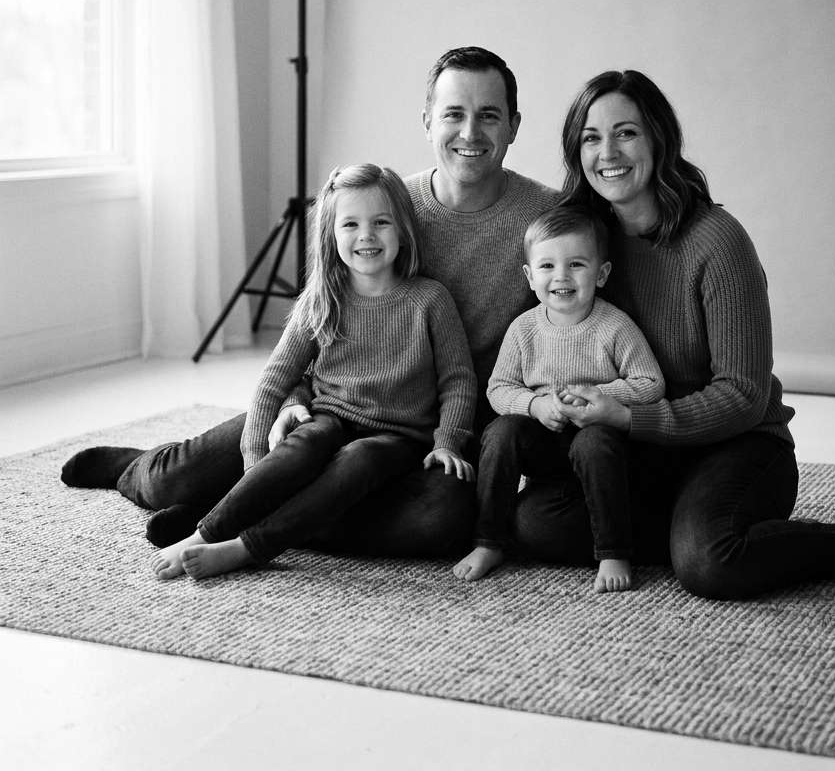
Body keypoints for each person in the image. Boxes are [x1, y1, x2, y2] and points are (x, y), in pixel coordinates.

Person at [61, 47, 558, 558]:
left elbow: (563, 326)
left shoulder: (546, 220)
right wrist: (295, 402)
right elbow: (319, 323)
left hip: (425, 434)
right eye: (454, 113)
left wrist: (458, 438)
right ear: (428, 120)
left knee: (439, 521)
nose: (470, 133)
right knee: (174, 480)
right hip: (329, 408)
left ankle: (250, 520)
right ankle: (138, 468)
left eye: (489, 115)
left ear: (514, 125)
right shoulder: (388, 206)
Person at [510, 69, 835, 599]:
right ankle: (690, 526)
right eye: (591, 137)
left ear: (659, 138)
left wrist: (629, 415)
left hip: (738, 445)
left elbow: (745, 396)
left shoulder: (716, 241)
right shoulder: (577, 245)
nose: (608, 151)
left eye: (626, 132)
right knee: (536, 523)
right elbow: (547, 344)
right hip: (642, 450)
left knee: (710, 564)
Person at [151, 163, 475, 581]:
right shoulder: (321, 300)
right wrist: (255, 464)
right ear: (331, 234)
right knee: (309, 439)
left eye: (381, 222)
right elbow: (273, 383)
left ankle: (248, 547)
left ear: (404, 229)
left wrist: (447, 441)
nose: (366, 236)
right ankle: (203, 534)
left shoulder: (429, 300)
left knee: (363, 458)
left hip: (398, 438)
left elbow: (459, 381)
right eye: (351, 224)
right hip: (329, 418)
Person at [453, 204, 664, 593]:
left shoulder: (614, 325)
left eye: (577, 265)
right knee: (500, 433)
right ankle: (488, 541)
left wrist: (598, 396)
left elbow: (650, 382)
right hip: (545, 438)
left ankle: (613, 551)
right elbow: (499, 388)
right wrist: (535, 406)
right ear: (529, 276)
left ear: (601, 274)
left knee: (595, 441)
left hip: (599, 441)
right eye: (547, 266)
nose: (561, 277)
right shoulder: (524, 329)